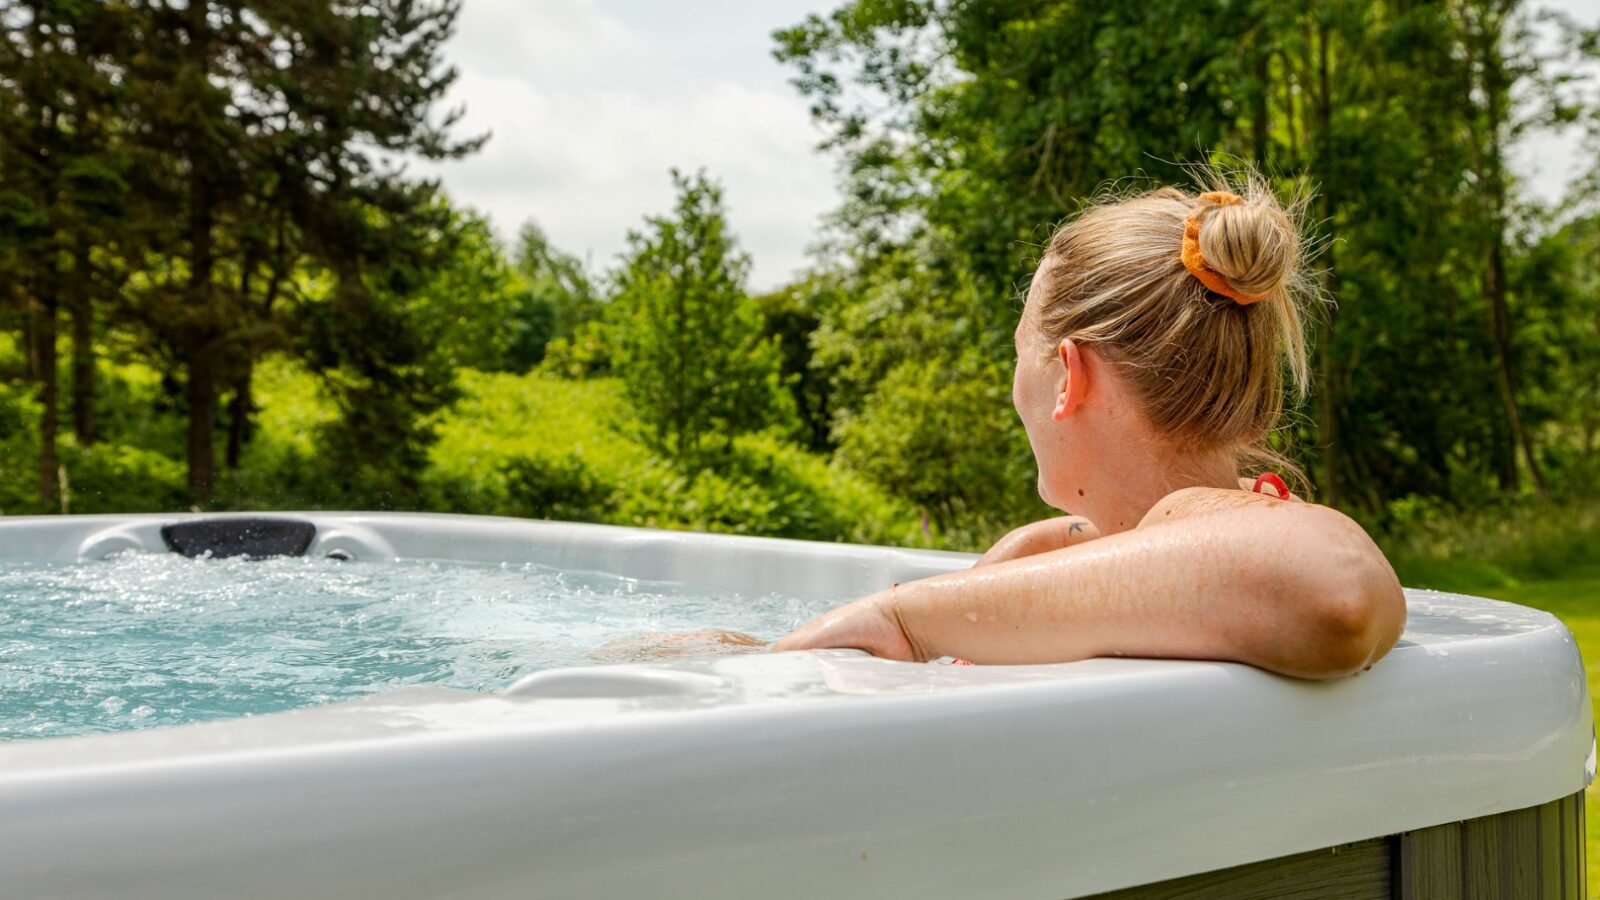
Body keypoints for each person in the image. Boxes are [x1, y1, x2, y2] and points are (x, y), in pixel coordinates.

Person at [769, 171, 1406, 679]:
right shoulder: (1074, 554)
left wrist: (905, 618)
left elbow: (1337, 591)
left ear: (1069, 377)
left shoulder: (1221, 524)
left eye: (1022, 354)